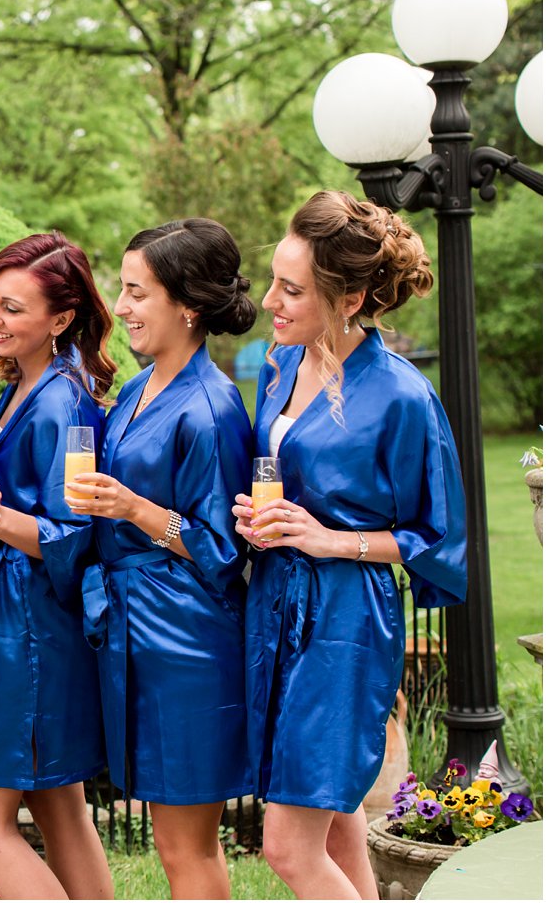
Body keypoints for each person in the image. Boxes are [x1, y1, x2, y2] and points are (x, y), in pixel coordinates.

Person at [234, 191, 466, 900]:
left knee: (288, 847)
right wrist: (260, 519)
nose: (270, 299)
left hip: (344, 621)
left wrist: (330, 539)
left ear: (352, 296)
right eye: (273, 279)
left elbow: (439, 535)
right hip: (275, 604)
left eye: (293, 289)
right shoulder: (279, 366)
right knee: (335, 825)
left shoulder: (402, 397)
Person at [67, 218, 258, 899]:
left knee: (185, 847)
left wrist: (135, 510)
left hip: (188, 645)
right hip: (138, 631)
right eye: (122, 290)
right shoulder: (139, 391)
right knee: (166, 836)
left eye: (136, 292)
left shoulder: (211, 409)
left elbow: (223, 549)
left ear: (187, 305)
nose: (119, 308)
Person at [0, 233, 115, 901]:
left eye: (13, 308)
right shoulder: (28, 384)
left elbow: (72, 533)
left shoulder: (59, 400)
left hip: (32, 631)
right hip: (26, 621)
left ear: (61, 319)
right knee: (58, 807)